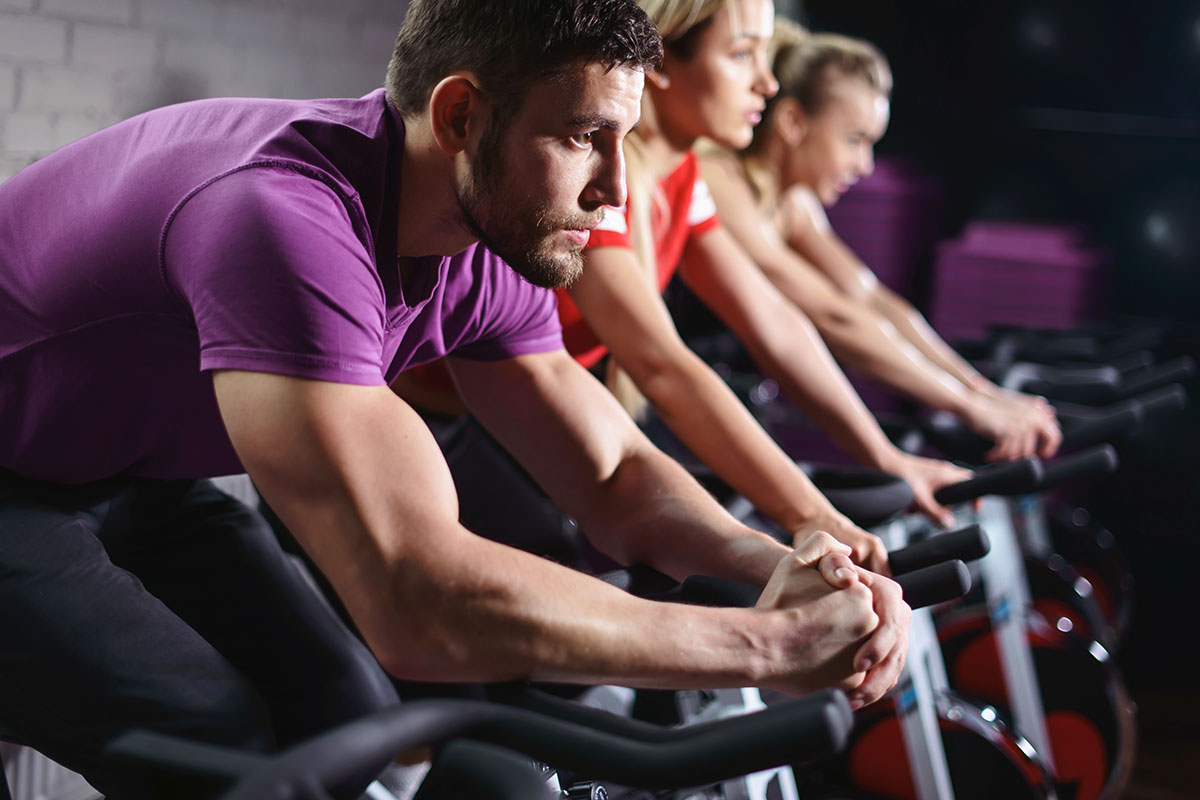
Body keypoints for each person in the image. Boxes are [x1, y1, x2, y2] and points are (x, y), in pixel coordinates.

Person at [0, 1, 908, 795]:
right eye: (584, 136)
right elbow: (417, 603)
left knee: (341, 717)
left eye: (624, 140)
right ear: (462, 115)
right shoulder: (287, 222)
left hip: (126, 473)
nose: (616, 189)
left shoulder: (485, 246)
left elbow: (614, 472)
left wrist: (787, 569)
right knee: (210, 741)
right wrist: (766, 648)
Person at [700, 19, 1062, 462]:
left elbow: (870, 299)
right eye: (854, 140)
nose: (866, 165)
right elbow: (833, 316)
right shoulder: (719, 181)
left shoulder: (792, 203)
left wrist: (982, 393)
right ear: (793, 122)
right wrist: (969, 408)